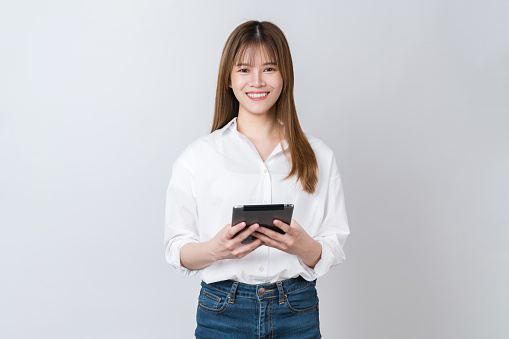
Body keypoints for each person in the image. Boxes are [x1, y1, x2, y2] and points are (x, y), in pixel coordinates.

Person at [165, 20, 350, 339]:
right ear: (228, 78)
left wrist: (304, 246)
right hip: (223, 311)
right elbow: (176, 248)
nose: (257, 81)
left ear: (284, 76)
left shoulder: (319, 155)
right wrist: (215, 249)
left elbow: (334, 240)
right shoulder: (198, 157)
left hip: (296, 310)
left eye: (268, 68)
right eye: (244, 69)